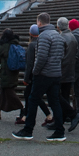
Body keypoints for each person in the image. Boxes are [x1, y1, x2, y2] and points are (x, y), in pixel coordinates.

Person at [12, 13, 66, 141]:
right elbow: (62, 54)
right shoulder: (57, 36)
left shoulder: (44, 36)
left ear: (39, 23)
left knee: (33, 100)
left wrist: (35, 72)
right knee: (55, 102)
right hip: (55, 73)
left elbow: (41, 57)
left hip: (43, 74)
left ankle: (28, 130)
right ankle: (60, 131)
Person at [53, 17, 79, 129]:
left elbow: (58, 55)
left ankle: (64, 117)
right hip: (70, 71)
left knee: (56, 96)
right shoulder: (73, 37)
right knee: (65, 95)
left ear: (58, 26)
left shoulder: (60, 38)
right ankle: (63, 118)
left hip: (61, 71)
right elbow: (77, 54)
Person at [20, 24, 52, 126]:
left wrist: (26, 78)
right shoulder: (41, 42)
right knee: (33, 96)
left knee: (32, 96)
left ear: (30, 33)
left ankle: (27, 118)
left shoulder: (31, 45)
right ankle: (26, 116)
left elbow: (29, 64)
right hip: (41, 72)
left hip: (32, 75)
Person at [0, 28, 24, 121]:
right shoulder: (15, 44)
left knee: (9, 91)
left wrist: (2, 60)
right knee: (3, 91)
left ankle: (23, 109)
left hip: (6, 72)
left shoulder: (5, 46)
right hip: (14, 72)